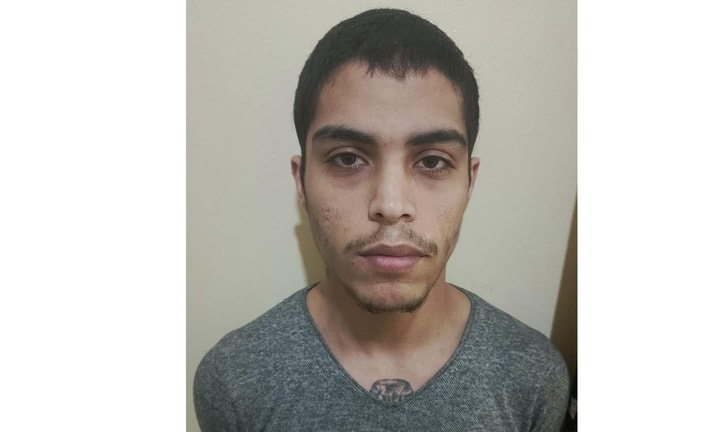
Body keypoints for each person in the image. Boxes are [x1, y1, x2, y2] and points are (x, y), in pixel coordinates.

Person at [194, 8, 569, 431]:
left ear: (469, 182)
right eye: (347, 159)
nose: (391, 205)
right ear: (302, 181)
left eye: (432, 161)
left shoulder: (533, 379)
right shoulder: (234, 380)